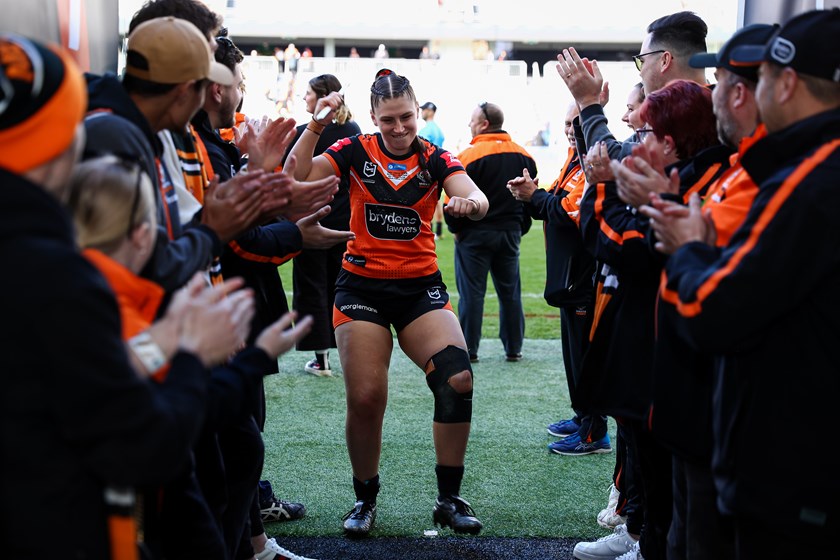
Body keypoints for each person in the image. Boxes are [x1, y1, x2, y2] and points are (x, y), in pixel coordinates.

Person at [0, 33, 217, 559]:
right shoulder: (59, 277)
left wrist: (155, 345)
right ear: (62, 140)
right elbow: (140, 446)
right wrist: (188, 353)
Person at [640, 9, 840, 558]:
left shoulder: (808, 180)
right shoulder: (800, 168)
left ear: (786, 83)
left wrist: (689, 248)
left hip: (791, 466)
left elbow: (715, 309)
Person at [288, 68, 489, 537]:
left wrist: (469, 206)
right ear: (374, 117)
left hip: (420, 289)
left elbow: (473, 194)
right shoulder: (355, 149)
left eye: (406, 117)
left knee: (457, 378)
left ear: (418, 112)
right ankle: (365, 498)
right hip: (361, 289)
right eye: (388, 120)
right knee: (365, 397)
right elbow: (295, 177)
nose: (398, 128)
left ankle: (448, 498)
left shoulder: (437, 158)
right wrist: (316, 124)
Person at [607, 23, 775, 560]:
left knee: (694, 535)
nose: (712, 91)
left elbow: (653, 260)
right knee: (678, 527)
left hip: (717, 406)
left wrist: (660, 212)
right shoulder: (740, 169)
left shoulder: (772, 174)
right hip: (688, 402)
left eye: (719, 81)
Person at [572, 79, 723, 560]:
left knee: (672, 499)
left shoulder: (699, 185)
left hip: (672, 365)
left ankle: (645, 541)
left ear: (670, 143)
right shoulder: (695, 174)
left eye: (648, 133)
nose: (638, 141)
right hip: (657, 360)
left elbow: (626, 246)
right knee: (656, 482)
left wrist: (601, 192)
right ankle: (642, 536)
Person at [282, 74, 362, 377]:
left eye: (308, 94)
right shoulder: (354, 131)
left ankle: (321, 358)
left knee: (312, 289)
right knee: (342, 289)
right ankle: (349, 354)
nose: (304, 99)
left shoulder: (305, 134)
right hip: (344, 223)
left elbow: (291, 176)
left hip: (310, 222)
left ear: (324, 97)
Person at [446, 101, 535, 363]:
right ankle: (514, 348)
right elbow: (532, 195)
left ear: (484, 124)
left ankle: (469, 349)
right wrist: (521, 227)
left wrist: (456, 231)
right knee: (510, 293)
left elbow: (452, 199)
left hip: (474, 235)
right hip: (510, 233)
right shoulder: (524, 155)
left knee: (472, 294)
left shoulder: (467, 156)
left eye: (472, 121)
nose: (469, 125)